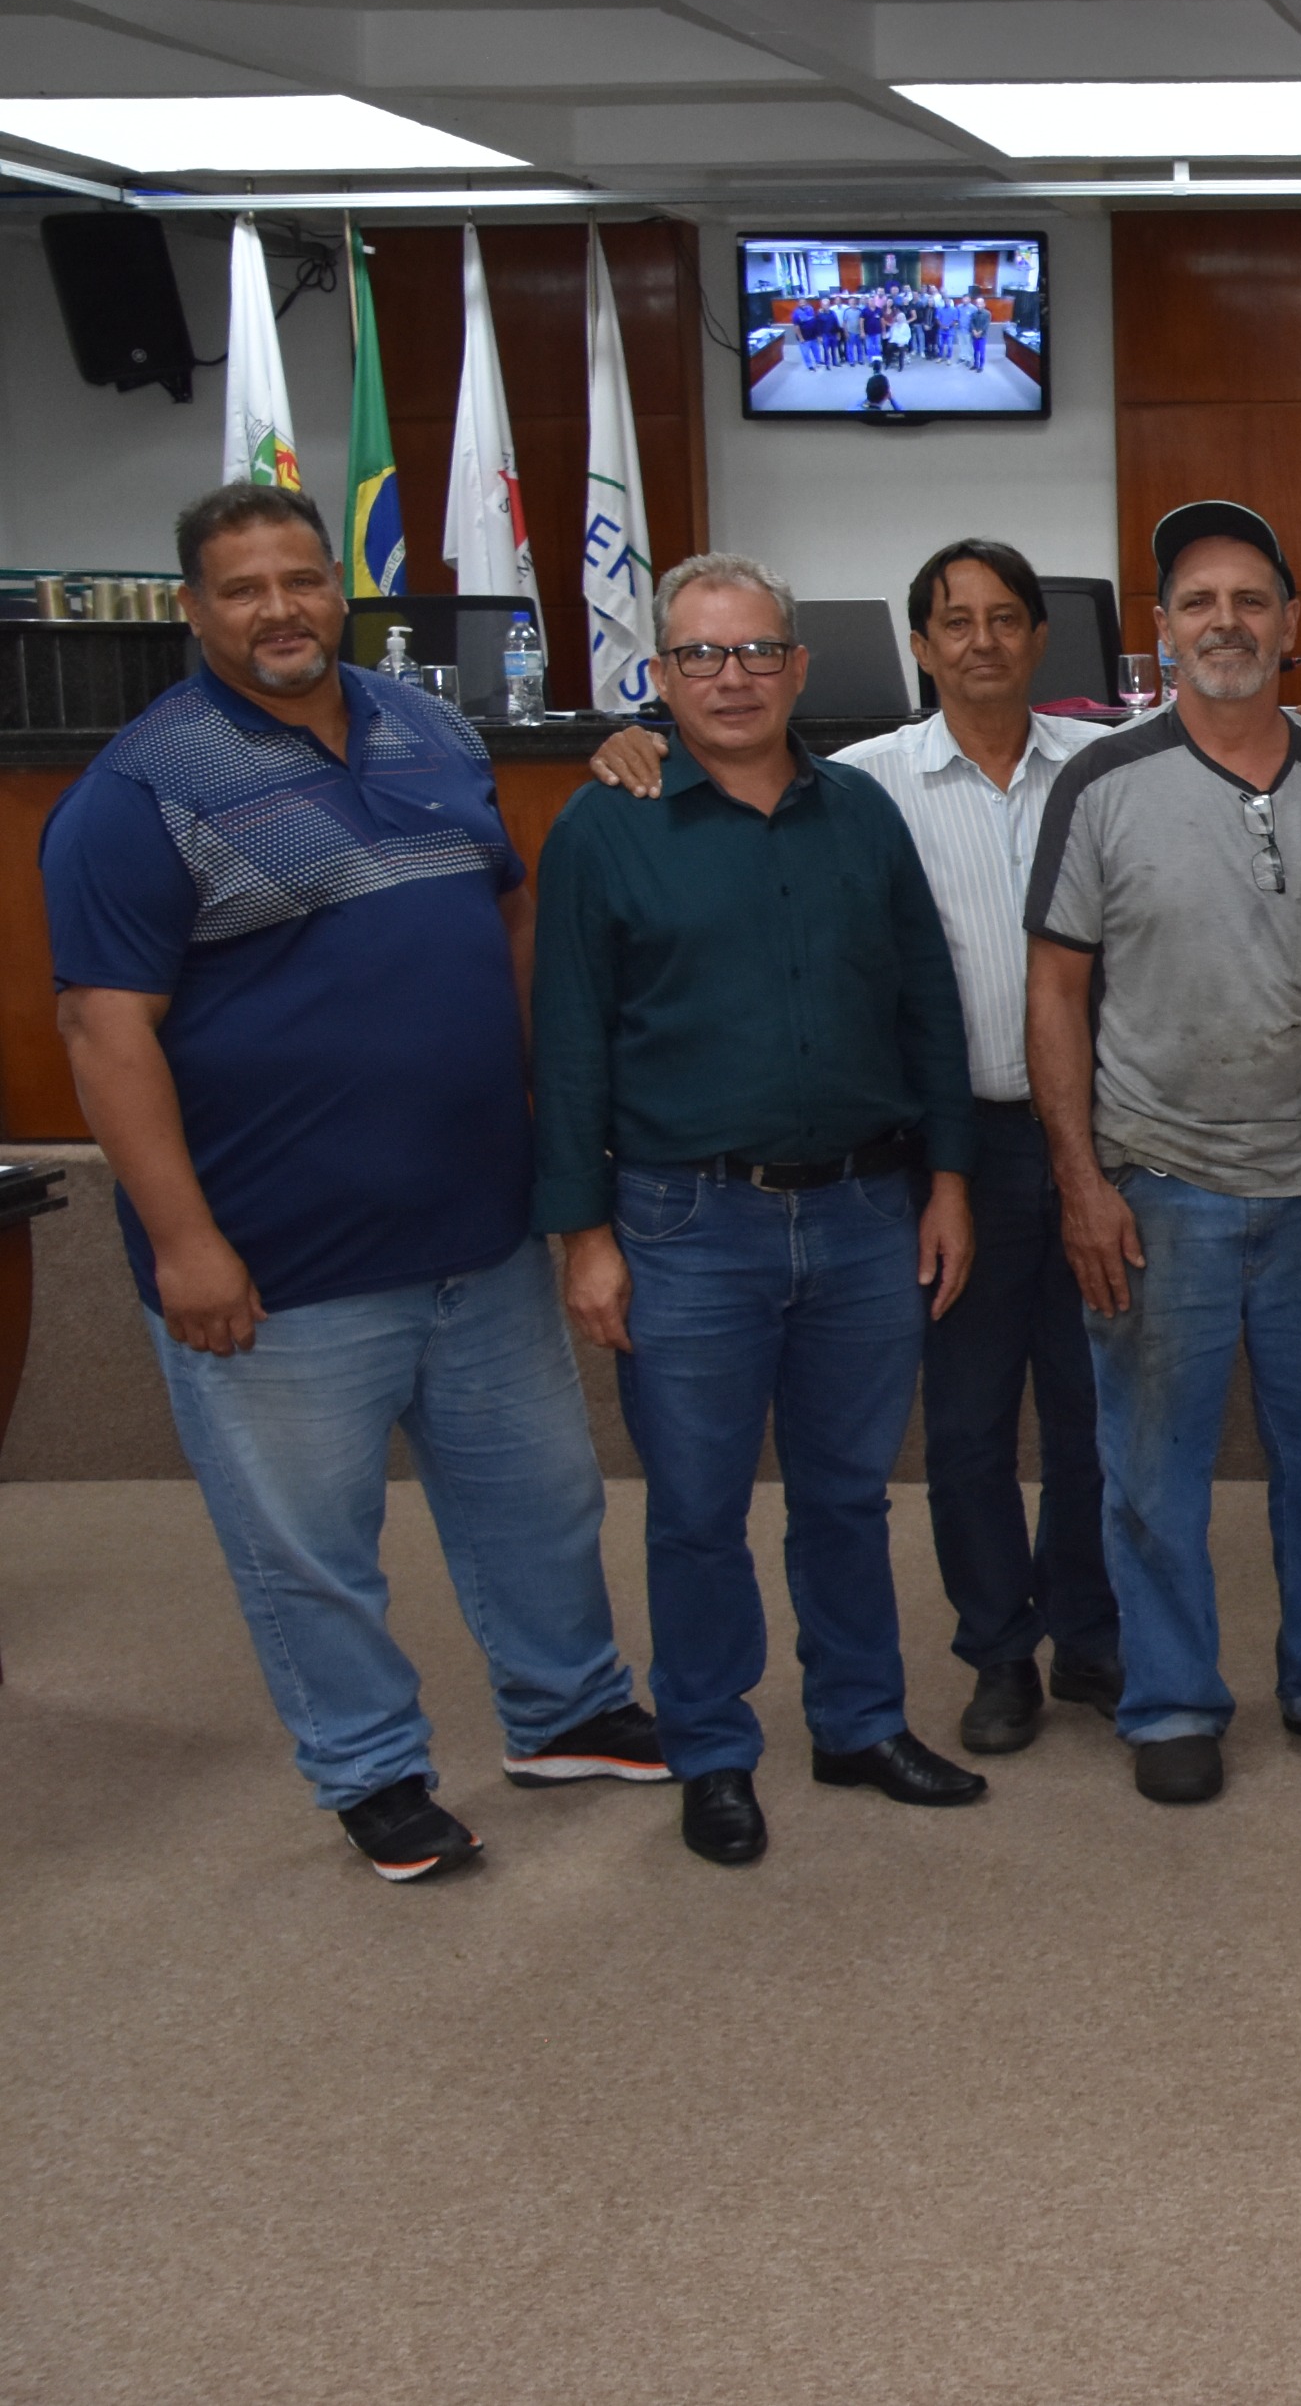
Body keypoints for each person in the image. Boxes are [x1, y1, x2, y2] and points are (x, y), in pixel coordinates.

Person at [43, 483, 661, 1885]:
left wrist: (557, 1122)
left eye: (302, 579)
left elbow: (507, 912)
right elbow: (102, 1031)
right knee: (311, 1546)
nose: (281, 610)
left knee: (542, 1498)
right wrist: (184, 1243)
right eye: (244, 588)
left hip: (476, 1227)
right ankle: (372, 1769)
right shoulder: (138, 793)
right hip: (279, 1260)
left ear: (340, 588)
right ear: (194, 610)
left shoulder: (429, 728)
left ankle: (567, 1711)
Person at [595, 541, 1123, 1757]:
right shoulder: (862, 784)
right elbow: (728, 773)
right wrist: (631, 741)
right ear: (919, 646)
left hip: (1098, 1142)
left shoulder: (1102, 769)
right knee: (968, 1423)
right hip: (948, 1148)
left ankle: (1092, 1634)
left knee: (1096, 1408)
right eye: (955, 622)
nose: (981, 640)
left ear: (1041, 637)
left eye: (1005, 618)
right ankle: (998, 1648)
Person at [536, 552, 983, 1867]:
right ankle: (713, 1748)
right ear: (661, 674)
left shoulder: (861, 814)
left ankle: (858, 1721)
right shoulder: (604, 826)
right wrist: (584, 1235)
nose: (729, 678)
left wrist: (949, 1179)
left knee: (847, 1496)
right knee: (695, 1508)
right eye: (700, 654)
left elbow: (927, 1005)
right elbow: (567, 1043)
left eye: (754, 652)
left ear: (796, 667)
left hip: (863, 1212)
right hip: (686, 1225)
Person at [1024, 501, 1301, 1806]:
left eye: (1249, 600)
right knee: (1151, 1472)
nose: (1225, 622)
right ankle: (1172, 1698)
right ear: (1163, 631)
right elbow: (1054, 991)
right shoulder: (1100, 785)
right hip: (1156, 1183)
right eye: (1198, 602)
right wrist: (1079, 1183)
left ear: (1290, 627)